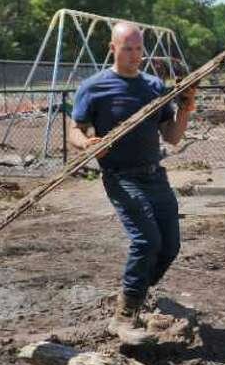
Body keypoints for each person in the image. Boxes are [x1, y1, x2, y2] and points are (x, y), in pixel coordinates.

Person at [67, 21, 196, 345]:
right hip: (121, 177)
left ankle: (135, 293)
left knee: (170, 246)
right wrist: (87, 144)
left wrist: (185, 109)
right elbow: (74, 130)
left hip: (154, 174)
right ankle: (124, 317)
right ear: (112, 48)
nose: (134, 55)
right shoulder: (94, 87)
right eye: (127, 48)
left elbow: (173, 137)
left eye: (139, 49)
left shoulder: (153, 86)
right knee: (146, 242)